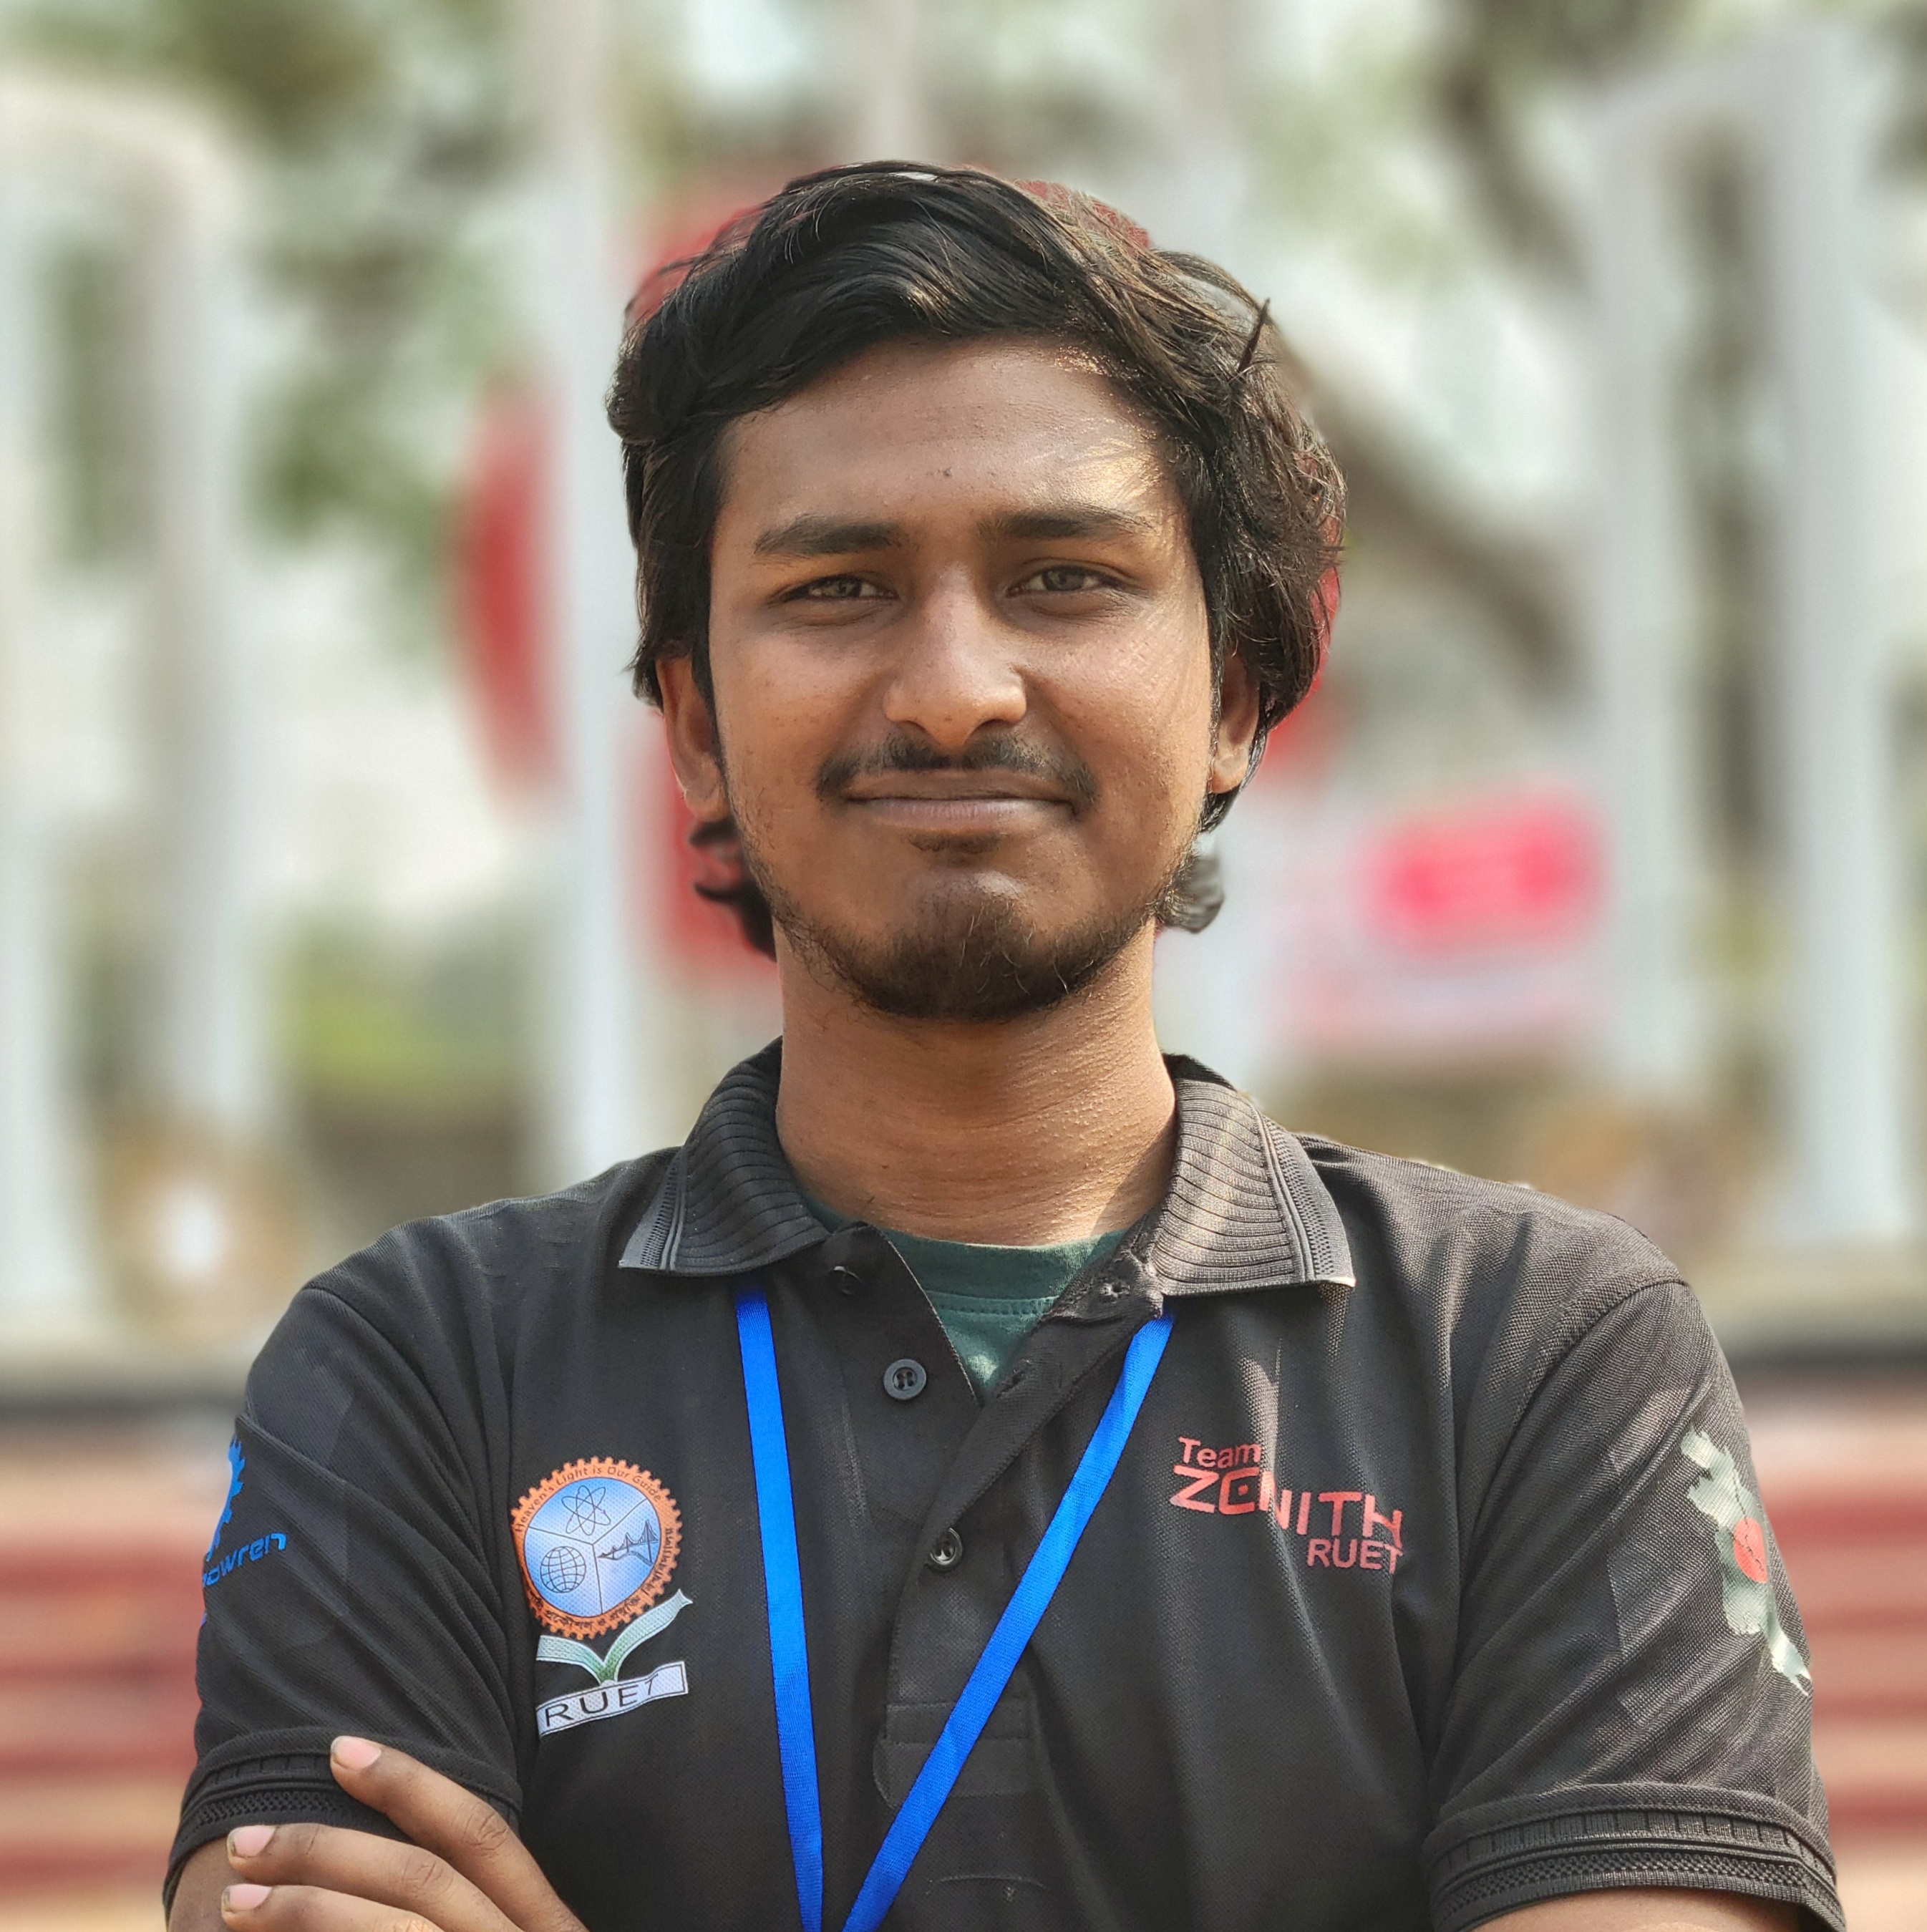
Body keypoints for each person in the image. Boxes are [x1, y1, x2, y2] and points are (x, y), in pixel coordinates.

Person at [167, 165, 1837, 1932]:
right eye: (838, 589)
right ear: (695, 727)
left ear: (1232, 702)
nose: (955, 688)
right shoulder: (423, 1367)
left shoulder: (1530, 1353)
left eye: (1062, 578)